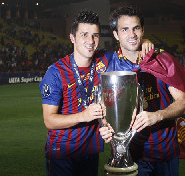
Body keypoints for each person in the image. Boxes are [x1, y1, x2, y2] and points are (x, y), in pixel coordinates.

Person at [39, 10, 154, 176]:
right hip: (62, 153)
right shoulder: (56, 72)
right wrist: (84, 116)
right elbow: (49, 120)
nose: (90, 41)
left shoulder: (105, 60)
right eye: (84, 35)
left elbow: (130, 51)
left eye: (95, 35)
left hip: (91, 151)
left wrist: (144, 42)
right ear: (72, 37)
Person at [100, 5, 185, 176]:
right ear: (116, 34)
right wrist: (105, 128)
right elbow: (104, 109)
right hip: (133, 154)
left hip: (165, 152)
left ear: (143, 30)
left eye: (136, 28)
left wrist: (157, 115)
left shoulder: (162, 59)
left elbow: (184, 103)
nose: (132, 34)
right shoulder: (110, 66)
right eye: (125, 29)